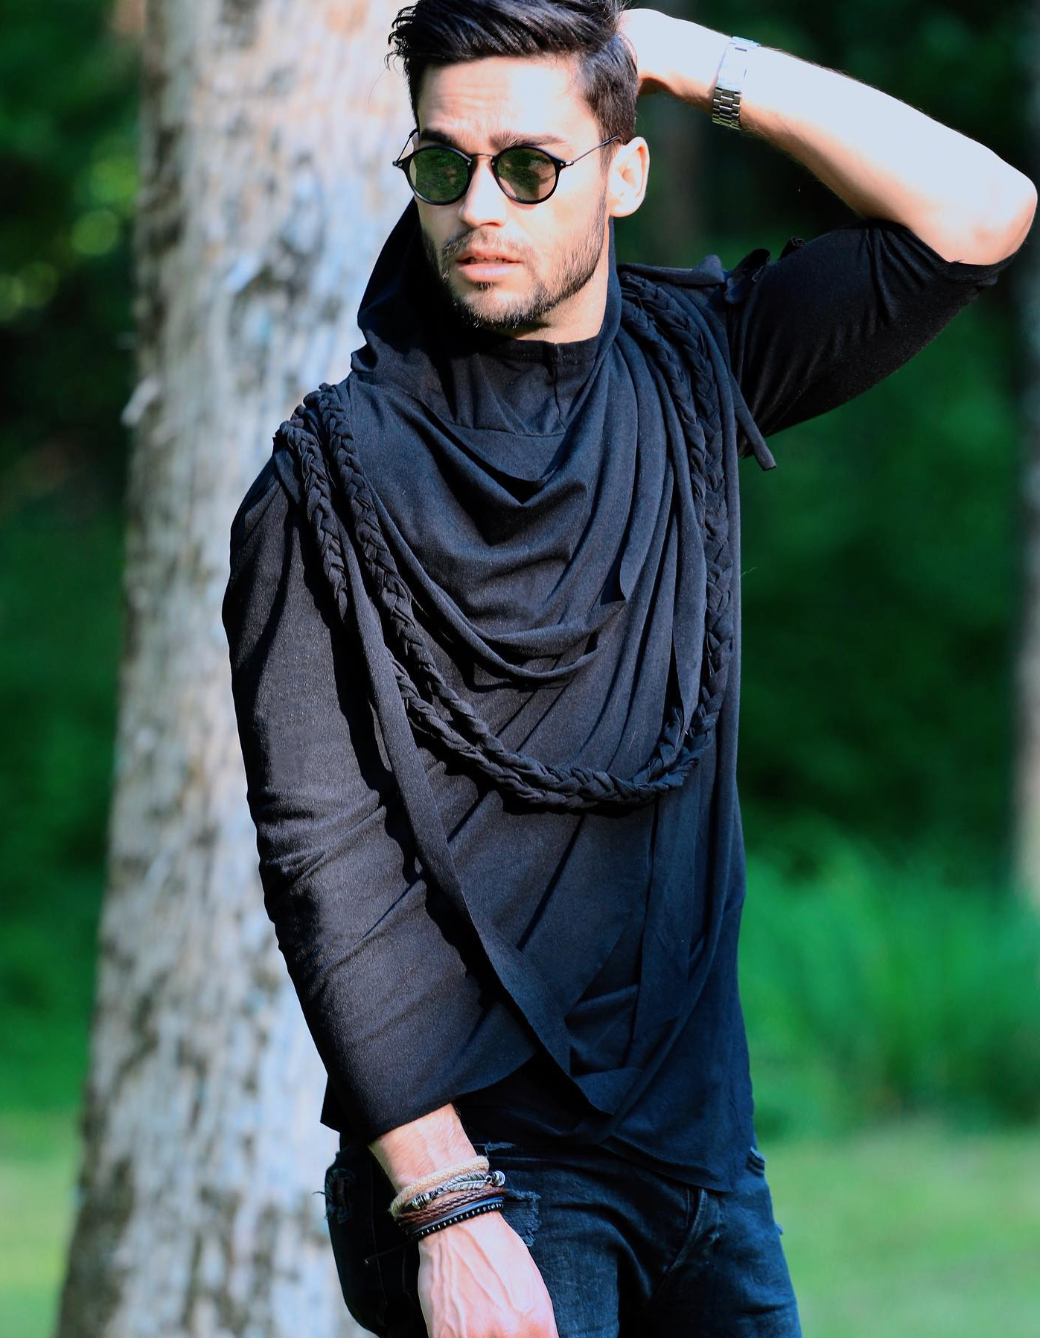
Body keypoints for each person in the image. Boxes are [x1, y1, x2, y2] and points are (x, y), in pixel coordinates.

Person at [221, 3, 1035, 1335]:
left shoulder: (695, 367)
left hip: (705, 1162)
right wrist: (442, 1203)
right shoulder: (325, 484)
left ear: (626, 172)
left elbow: (982, 210)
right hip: (493, 1180)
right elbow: (325, 865)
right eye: (445, 163)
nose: (481, 205)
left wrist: (667, 48)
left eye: (531, 164)